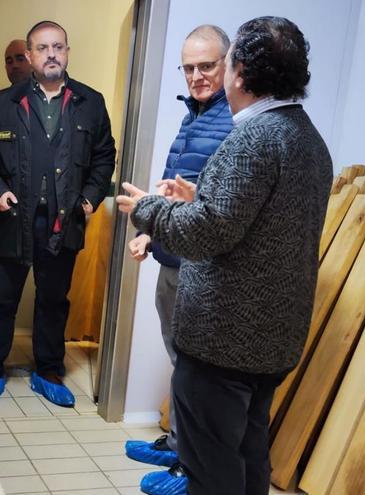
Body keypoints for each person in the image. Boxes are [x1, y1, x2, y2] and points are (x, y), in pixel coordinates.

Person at [116, 16, 332, 495]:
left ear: (241, 73)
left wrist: (147, 209)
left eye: (225, 61)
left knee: (211, 470)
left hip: (224, 341)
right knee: (249, 454)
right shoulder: (309, 140)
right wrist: (201, 200)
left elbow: (205, 235)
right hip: (271, 339)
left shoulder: (251, 139)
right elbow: (260, 223)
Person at [0, 20, 115, 407]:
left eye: (58, 47)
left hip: (64, 220)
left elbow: (104, 158)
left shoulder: (91, 102)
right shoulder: (3, 104)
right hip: (14, 218)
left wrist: (88, 200)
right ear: (30, 55)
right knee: (2, 297)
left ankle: (48, 369)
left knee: (54, 298)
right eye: (42, 48)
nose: (51, 54)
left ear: (67, 52)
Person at [123, 24, 233, 480]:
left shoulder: (236, 124)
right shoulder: (194, 115)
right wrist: (150, 232)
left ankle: (193, 470)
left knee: (199, 374)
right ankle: (177, 446)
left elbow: (220, 209)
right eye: (188, 68)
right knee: (180, 362)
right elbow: (173, 187)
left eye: (207, 66)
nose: (197, 77)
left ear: (229, 64)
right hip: (173, 259)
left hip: (203, 270)